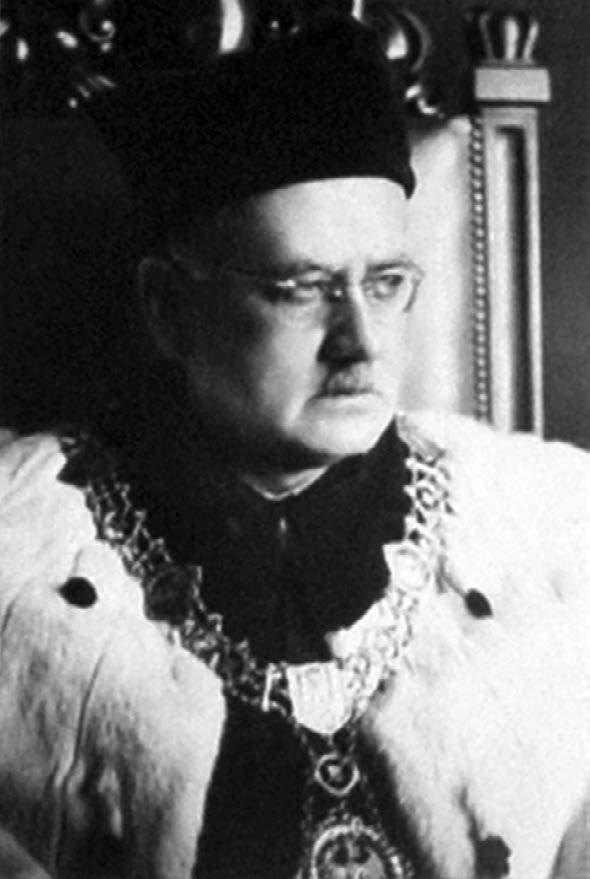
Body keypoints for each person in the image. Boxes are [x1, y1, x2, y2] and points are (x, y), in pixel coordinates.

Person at [0, 11, 590, 879]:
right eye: (300, 288)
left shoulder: (557, 539)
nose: (361, 343)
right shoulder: (16, 555)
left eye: (385, 283)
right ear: (169, 308)